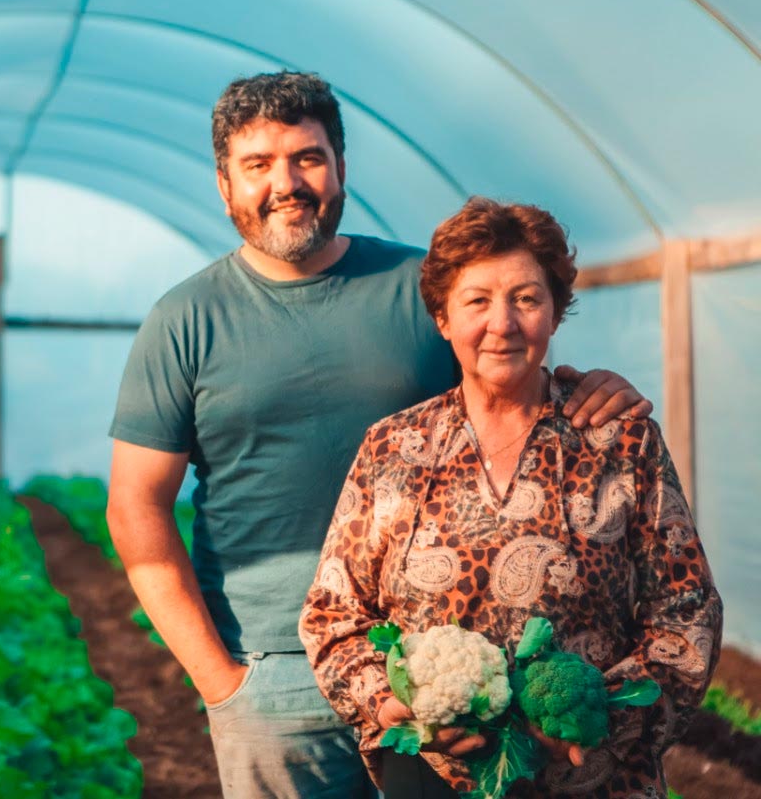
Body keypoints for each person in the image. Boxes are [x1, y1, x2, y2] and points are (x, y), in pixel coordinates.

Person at [106, 71, 651, 798]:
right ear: (224, 185)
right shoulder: (185, 321)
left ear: (339, 168)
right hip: (274, 671)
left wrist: (588, 386)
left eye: (307, 157)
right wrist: (221, 679)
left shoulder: (417, 286)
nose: (286, 182)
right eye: (258, 164)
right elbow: (136, 507)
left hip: (443, 668)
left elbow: (508, 368)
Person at [299, 197, 722, 798]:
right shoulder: (392, 450)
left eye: (527, 298)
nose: (503, 323)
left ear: (555, 314)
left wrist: (592, 720)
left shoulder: (620, 443)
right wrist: (387, 701)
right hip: (430, 779)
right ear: (443, 318)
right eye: (477, 301)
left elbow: (688, 612)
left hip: (589, 780)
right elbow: (332, 615)